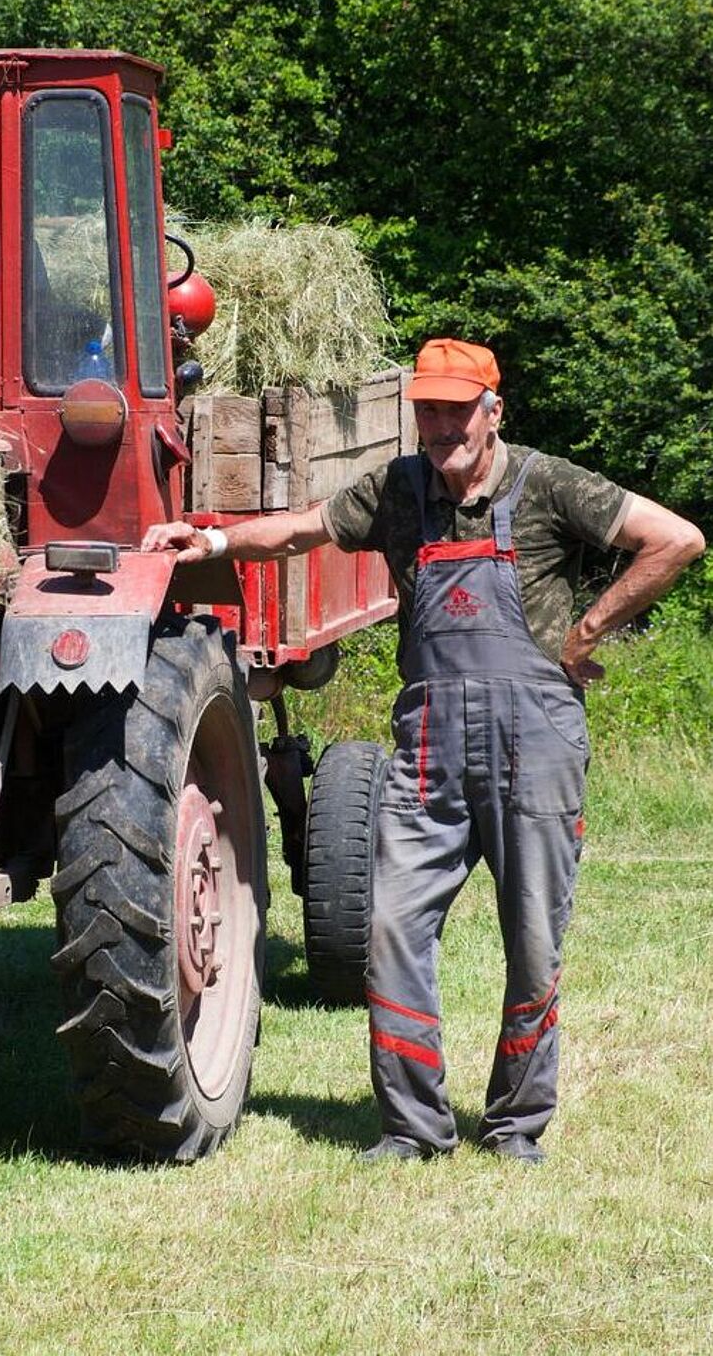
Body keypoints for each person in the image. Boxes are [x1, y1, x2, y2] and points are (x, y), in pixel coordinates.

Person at [141, 337, 705, 1164]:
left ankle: (515, 1124)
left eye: (455, 409)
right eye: (427, 411)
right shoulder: (400, 491)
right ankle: (413, 1126)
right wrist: (214, 543)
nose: (441, 426)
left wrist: (589, 629)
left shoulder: (547, 484)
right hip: (429, 740)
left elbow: (676, 539)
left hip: (535, 742)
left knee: (533, 939)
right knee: (391, 927)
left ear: (491, 410)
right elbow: (304, 529)